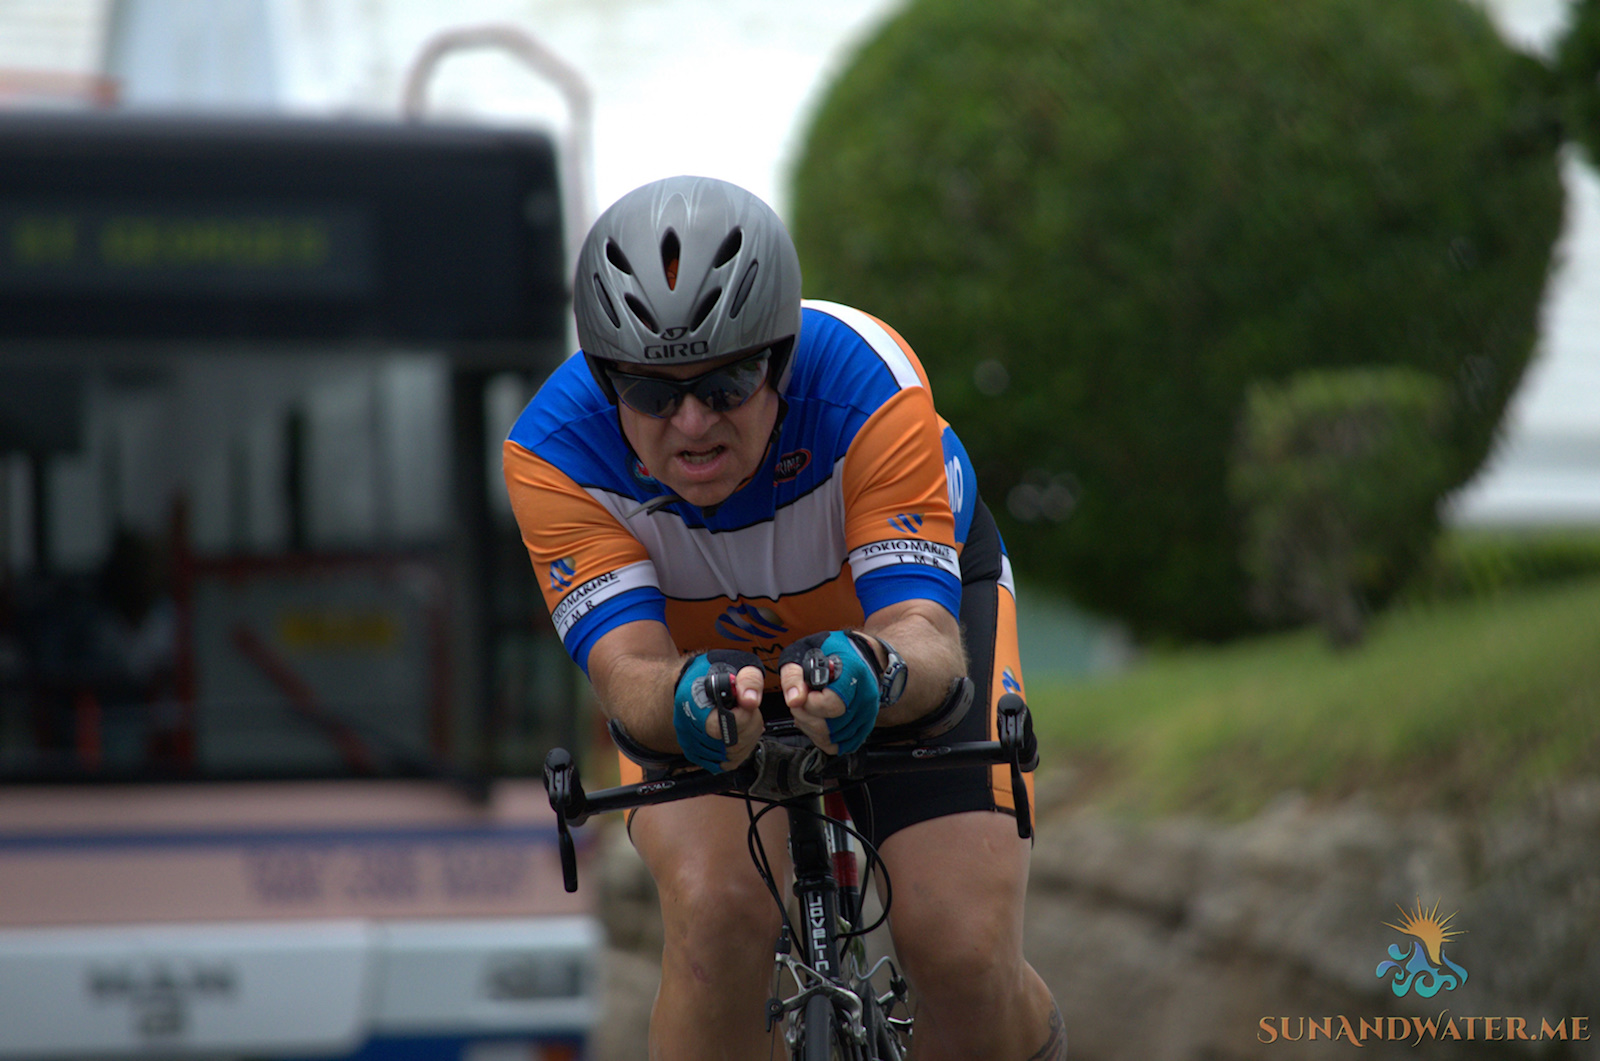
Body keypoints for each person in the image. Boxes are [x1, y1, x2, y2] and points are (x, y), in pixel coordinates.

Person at [504, 176, 1064, 1060]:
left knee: (959, 946)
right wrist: (690, 703)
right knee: (717, 923)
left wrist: (874, 670)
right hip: (697, 659)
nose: (691, 424)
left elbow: (924, 636)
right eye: (651, 393)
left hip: (880, 631)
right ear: (606, 377)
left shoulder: (868, 383)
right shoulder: (553, 452)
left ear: (781, 359)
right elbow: (629, 672)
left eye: (726, 382)